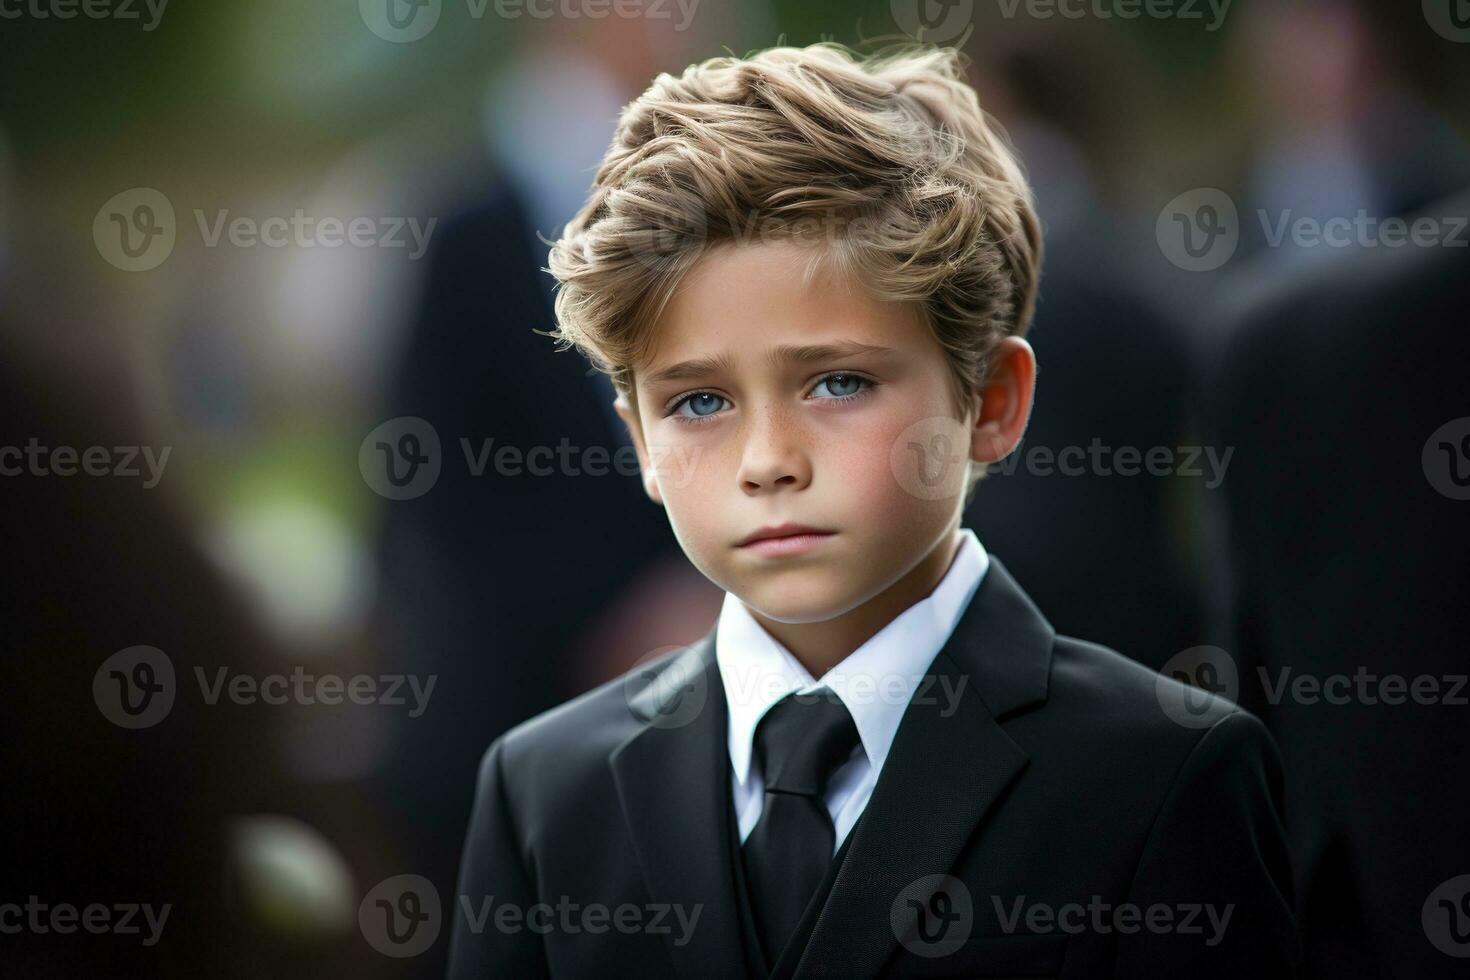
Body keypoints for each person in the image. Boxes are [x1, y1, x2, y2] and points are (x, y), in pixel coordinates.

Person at [448, 43, 1299, 979]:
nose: (768, 462)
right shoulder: (540, 790)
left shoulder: (1162, 774)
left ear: (992, 402)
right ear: (640, 441)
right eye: (698, 402)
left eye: (839, 382)